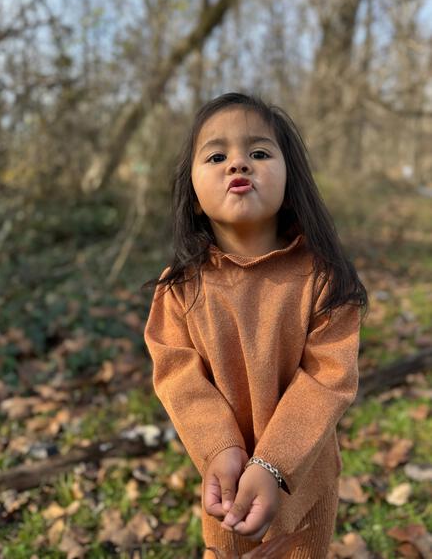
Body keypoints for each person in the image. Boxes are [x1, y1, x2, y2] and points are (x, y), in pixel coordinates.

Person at [143, 92, 367, 558]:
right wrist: (220, 448)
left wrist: (273, 464)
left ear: (291, 180)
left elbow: (329, 378)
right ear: (194, 194)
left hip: (302, 480)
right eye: (217, 155)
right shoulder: (182, 287)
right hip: (224, 484)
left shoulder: (323, 277)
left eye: (259, 153)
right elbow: (177, 376)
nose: (238, 165)